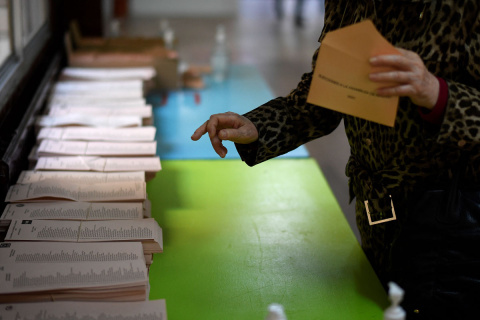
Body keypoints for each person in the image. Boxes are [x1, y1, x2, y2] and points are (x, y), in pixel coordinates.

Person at [192, 1, 480, 318]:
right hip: (376, 210)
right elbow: (327, 93)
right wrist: (259, 126)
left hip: (452, 226)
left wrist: (438, 94)